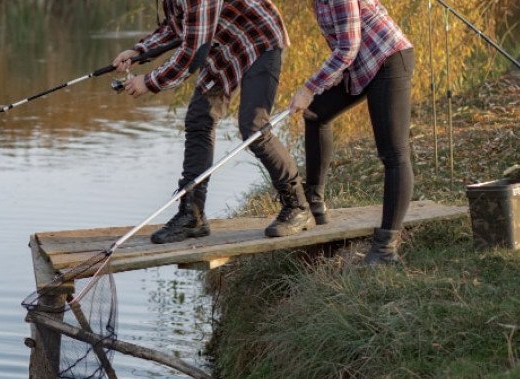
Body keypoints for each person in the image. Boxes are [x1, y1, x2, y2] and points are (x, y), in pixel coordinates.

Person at [114, 0, 313, 244]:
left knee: (253, 128)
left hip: (259, 39)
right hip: (223, 44)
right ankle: (192, 216)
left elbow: (192, 54)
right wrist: (140, 51)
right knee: (200, 119)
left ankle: (298, 207)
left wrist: (150, 81)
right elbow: (175, 27)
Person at [287, 0, 415, 264]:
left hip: (388, 59)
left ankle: (385, 248)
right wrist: (331, 76)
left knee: (394, 154)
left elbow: (348, 47)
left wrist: (309, 87)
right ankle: (314, 204)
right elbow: (342, 44)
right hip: (362, 64)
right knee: (315, 113)